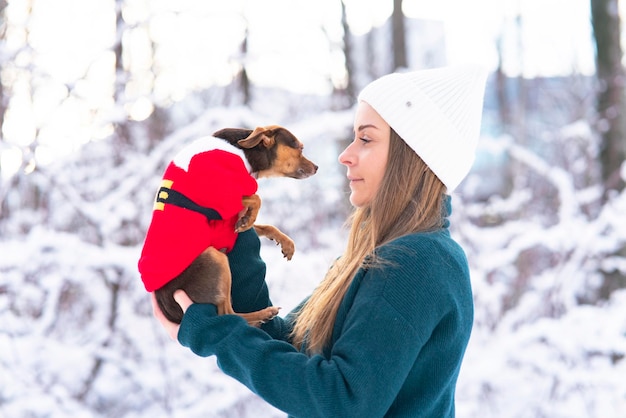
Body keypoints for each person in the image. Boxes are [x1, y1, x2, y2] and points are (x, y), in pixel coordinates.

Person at [151, 65, 488, 417]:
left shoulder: (418, 260)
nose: (346, 154)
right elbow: (292, 347)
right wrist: (232, 229)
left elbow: (342, 399)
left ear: (413, 156)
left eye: (366, 138)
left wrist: (220, 335)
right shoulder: (375, 256)